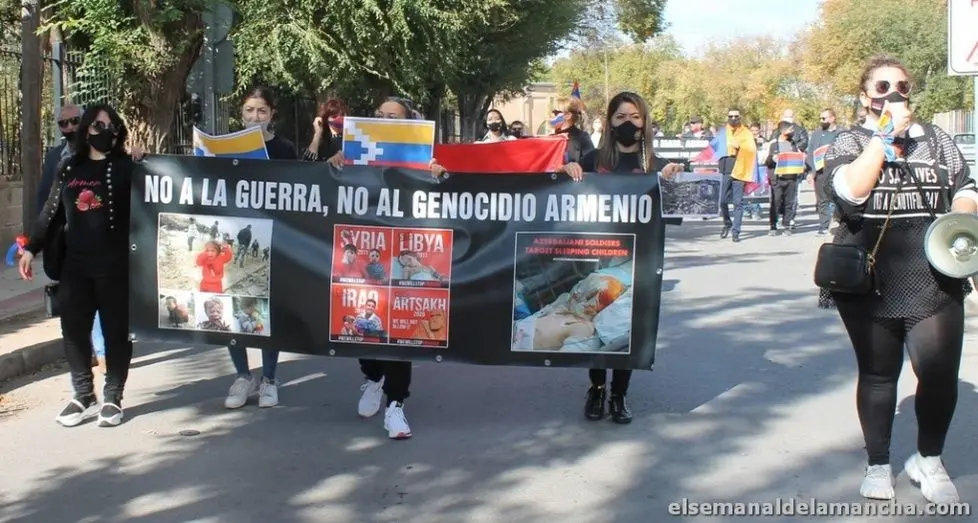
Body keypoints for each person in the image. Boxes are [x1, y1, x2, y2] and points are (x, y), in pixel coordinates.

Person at [819, 55, 977, 504]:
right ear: (865, 96)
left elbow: (966, 187)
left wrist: (960, 217)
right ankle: (878, 463)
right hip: (869, 277)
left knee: (939, 375)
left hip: (933, 275)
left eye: (902, 87)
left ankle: (929, 460)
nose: (894, 94)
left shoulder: (937, 139)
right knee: (878, 375)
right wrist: (884, 137)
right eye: (883, 87)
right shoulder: (849, 140)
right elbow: (851, 192)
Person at [556, 91, 684, 424]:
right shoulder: (593, 161)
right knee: (595, 323)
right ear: (610, 123)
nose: (628, 123)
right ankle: (597, 388)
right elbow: (558, 193)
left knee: (627, 330)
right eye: (621, 117)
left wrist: (675, 182)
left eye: (635, 117)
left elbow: (676, 213)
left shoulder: (656, 166)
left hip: (639, 261)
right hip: (597, 258)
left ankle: (619, 394)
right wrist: (566, 170)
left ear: (644, 123)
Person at [19, 103, 136, 428]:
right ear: (86, 129)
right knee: (72, 330)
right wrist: (31, 248)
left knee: (116, 333)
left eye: (111, 126)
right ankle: (83, 394)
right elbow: (51, 211)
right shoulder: (69, 167)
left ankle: (113, 396)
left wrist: (143, 160)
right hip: (75, 266)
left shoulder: (127, 168)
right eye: (98, 125)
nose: (104, 131)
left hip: (114, 267)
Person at [360, 96, 447, 440]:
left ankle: (395, 405)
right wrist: (335, 164)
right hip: (371, 254)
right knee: (363, 328)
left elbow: (446, 192)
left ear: (408, 123)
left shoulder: (421, 159)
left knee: (400, 333)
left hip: (405, 250)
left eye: (392, 116)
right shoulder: (358, 154)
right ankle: (373, 377)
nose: (384, 120)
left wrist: (437, 174)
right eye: (379, 115)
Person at [222, 87, 296, 411]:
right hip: (235, 236)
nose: (255, 116)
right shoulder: (225, 147)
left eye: (262, 110)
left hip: (272, 241)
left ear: (271, 114)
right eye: (249, 110)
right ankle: (242, 375)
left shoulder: (284, 149)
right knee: (232, 307)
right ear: (241, 114)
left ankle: (269, 378)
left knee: (266, 311)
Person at [717, 108, 759, 243]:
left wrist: (739, 146)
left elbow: (752, 150)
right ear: (727, 117)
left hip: (740, 169)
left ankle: (736, 231)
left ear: (740, 117)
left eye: (736, 116)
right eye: (731, 116)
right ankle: (727, 223)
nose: (733, 118)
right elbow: (714, 148)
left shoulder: (746, 133)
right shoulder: (723, 132)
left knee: (738, 202)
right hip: (726, 169)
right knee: (722, 200)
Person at [764, 121, 803, 236]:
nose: (792, 132)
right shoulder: (773, 144)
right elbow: (767, 162)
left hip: (791, 177)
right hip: (777, 178)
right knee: (775, 202)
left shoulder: (793, 144)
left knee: (789, 202)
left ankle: (787, 225)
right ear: (783, 131)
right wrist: (773, 158)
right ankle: (773, 226)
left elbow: (797, 157)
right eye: (790, 129)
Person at [808, 108, 841, 235]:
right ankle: (823, 226)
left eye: (824, 118)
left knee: (837, 199)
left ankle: (838, 223)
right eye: (820, 118)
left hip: (837, 171)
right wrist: (811, 172)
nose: (821, 120)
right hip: (821, 172)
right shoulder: (816, 134)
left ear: (832, 118)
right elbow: (811, 153)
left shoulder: (842, 132)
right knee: (822, 200)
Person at [303, 98, 347, 164]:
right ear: (326, 119)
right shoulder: (322, 145)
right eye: (334, 116)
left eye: (342, 116)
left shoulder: (350, 142)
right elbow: (307, 165)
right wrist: (317, 134)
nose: (339, 119)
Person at [553, 98, 594, 164]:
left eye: (555, 112)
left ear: (568, 115)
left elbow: (590, 164)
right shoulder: (551, 138)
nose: (551, 116)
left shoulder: (582, 138)